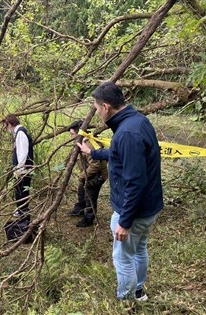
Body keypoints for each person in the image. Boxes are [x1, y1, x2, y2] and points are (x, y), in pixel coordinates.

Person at [77, 82, 163, 301]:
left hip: (134, 212)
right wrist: (94, 153)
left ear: (105, 106)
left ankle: (125, 300)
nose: (96, 113)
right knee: (139, 248)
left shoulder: (127, 133)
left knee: (123, 258)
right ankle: (138, 291)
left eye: (96, 108)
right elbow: (122, 155)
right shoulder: (137, 121)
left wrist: (125, 221)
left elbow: (135, 181)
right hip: (148, 208)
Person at [67, 120, 108, 227]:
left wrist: (82, 176)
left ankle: (88, 218)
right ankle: (80, 209)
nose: (70, 138)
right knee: (81, 191)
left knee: (90, 196)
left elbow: (95, 165)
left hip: (96, 176)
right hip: (88, 174)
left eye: (72, 135)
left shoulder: (89, 145)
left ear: (79, 134)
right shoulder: (80, 142)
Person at [3, 114, 34, 219]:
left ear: (10, 124)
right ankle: (21, 210)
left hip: (23, 170)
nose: (7, 129)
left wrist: (18, 170)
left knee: (22, 191)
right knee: (20, 190)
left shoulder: (20, 133)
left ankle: (23, 212)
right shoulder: (19, 132)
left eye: (6, 126)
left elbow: (23, 153)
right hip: (22, 169)